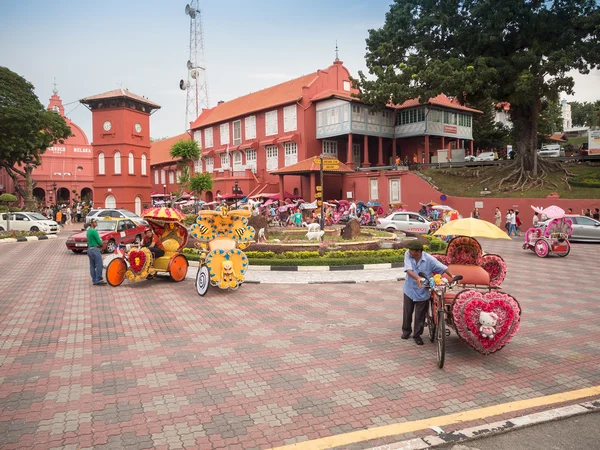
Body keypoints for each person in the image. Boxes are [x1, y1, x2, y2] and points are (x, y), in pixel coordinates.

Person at [402, 240, 455, 346]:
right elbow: (408, 270)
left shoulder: (429, 259)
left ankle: (417, 335)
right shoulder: (408, 255)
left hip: (423, 290)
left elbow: (443, 268)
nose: (409, 251)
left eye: (411, 250)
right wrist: (417, 277)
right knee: (407, 312)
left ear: (418, 251)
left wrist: (453, 277)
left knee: (420, 315)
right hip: (409, 289)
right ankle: (406, 331)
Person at [86, 219, 106, 285]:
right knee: (99, 264)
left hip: (89, 249)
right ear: (92, 223)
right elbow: (99, 241)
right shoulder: (94, 231)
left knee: (92, 266)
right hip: (95, 249)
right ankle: (99, 279)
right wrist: (102, 245)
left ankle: (94, 280)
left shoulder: (88, 231)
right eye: (95, 222)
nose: (96, 223)